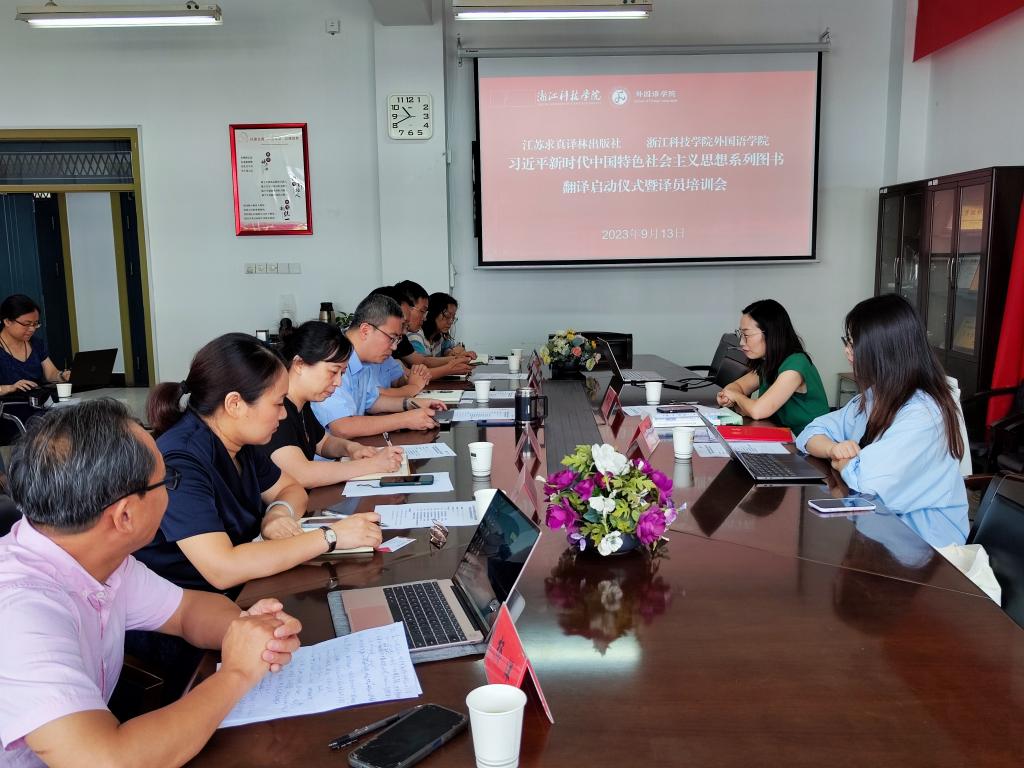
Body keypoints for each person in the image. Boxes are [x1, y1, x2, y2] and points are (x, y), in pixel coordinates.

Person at [0, 399, 303, 768]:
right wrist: (237, 673)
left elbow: (187, 611)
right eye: (167, 480)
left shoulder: (99, 558)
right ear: (125, 515)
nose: (172, 492)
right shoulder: (21, 611)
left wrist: (251, 631)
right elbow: (110, 762)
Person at [135, 333, 383, 596]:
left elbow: (291, 489)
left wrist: (278, 514)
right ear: (235, 404)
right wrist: (330, 537)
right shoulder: (180, 461)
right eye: (277, 403)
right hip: (190, 607)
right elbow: (222, 568)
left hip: (243, 588)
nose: (284, 414)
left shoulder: (239, 443)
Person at [796, 294, 968, 549]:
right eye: (847, 341)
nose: (847, 351)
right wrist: (833, 449)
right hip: (877, 529)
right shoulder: (875, 396)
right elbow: (811, 431)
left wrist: (846, 462)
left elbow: (868, 482)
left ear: (881, 349)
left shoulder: (924, 414)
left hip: (923, 547)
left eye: (853, 343)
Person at [261, 320, 405, 488]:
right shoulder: (278, 409)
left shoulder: (302, 404)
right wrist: (372, 465)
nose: (338, 382)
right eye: (333, 372)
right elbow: (302, 474)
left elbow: (323, 443)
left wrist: (351, 448)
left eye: (341, 373)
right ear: (299, 364)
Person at [311, 293, 446, 439]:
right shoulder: (332, 358)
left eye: (397, 340)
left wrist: (411, 404)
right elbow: (342, 427)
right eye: (391, 338)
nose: (394, 347)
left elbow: (372, 402)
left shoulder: (364, 360)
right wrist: (405, 420)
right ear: (365, 330)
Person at [716, 299, 828, 434]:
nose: (741, 342)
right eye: (741, 334)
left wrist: (736, 397)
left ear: (770, 333)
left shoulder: (796, 365)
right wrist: (730, 396)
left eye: (746, 335)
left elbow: (757, 411)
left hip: (809, 441)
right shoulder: (769, 362)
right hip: (780, 434)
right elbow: (736, 386)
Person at [392, 280, 472, 378]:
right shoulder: (412, 336)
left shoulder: (402, 337)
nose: (425, 317)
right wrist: (451, 366)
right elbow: (418, 368)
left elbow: (420, 362)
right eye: (422, 311)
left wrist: (454, 357)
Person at [0, 293, 69, 395]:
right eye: (26, 324)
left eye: (35, 324)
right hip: (8, 404)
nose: (32, 329)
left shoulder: (36, 343)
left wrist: (62, 376)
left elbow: (50, 374)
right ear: (7, 321)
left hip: (38, 401)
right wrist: (10, 388)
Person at [413, 292, 477, 360]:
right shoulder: (416, 337)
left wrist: (449, 352)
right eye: (447, 316)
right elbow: (424, 362)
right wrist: (455, 357)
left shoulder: (439, 337)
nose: (451, 322)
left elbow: (451, 347)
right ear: (432, 313)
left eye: (453, 317)